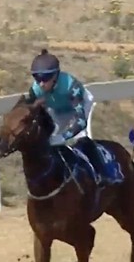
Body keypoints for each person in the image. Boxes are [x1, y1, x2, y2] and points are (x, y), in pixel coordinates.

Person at [25, 49, 108, 185]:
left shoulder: (71, 86)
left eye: (45, 78)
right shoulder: (35, 90)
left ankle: (102, 173)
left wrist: (64, 137)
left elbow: (80, 121)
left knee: (80, 138)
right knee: (49, 140)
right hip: (57, 109)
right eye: (37, 78)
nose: (41, 84)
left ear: (56, 76)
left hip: (78, 106)